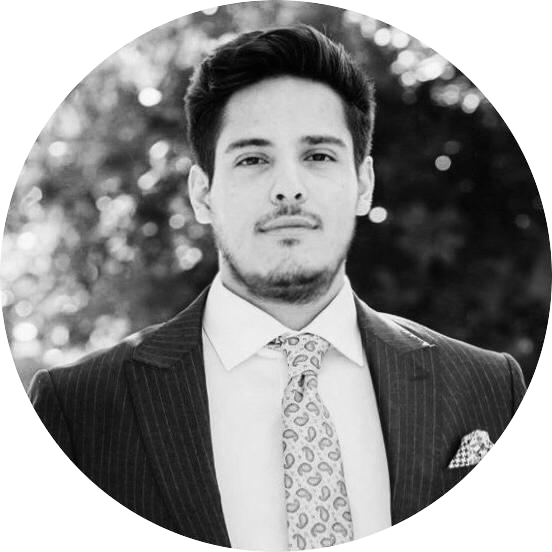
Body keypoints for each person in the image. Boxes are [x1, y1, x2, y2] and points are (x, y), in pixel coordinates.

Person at [29, 25, 526, 550]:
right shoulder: (78, 410)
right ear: (203, 194)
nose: (289, 188)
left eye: (319, 156)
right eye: (252, 159)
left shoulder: (488, 388)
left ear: (364, 184)